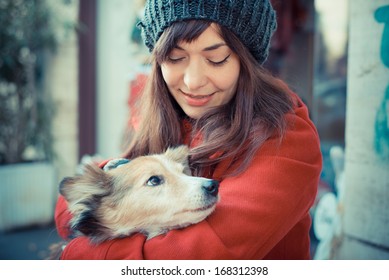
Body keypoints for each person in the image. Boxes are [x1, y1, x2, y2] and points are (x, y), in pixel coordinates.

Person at [55, 0, 322, 259]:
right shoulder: (171, 118)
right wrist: (115, 174)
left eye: (216, 59)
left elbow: (202, 253)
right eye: (175, 57)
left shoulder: (286, 137)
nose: (193, 82)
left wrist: (83, 257)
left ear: (246, 61)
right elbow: (66, 212)